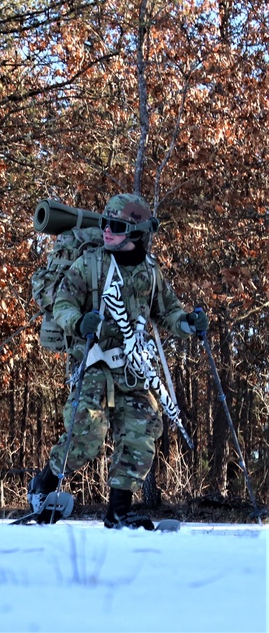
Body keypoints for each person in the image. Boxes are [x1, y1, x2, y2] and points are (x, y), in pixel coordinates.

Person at [28, 194, 208, 528]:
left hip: (133, 366)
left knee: (140, 435)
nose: (106, 230)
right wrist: (79, 322)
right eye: (106, 223)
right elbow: (64, 303)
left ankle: (118, 512)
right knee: (84, 436)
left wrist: (187, 322)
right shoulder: (90, 263)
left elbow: (167, 311)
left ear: (136, 233)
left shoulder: (150, 271)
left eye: (117, 226)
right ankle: (43, 486)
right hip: (94, 362)